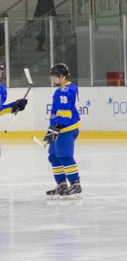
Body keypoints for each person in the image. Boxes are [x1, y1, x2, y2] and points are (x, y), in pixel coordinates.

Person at [40, 63, 82, 200]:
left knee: (64, 156)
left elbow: (64, 112)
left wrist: (56, 128)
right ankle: (61, 184)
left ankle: (75, 184)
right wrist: (53, 128)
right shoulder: (67, 88)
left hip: (65, 129)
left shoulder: (64, 91)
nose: (52, 79)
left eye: (54, 77)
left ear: (62, 77)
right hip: (59, 128)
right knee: (53, 157)